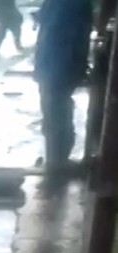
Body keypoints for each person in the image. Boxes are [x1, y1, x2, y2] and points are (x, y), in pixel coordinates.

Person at [34, 0, 93, 174]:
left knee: (53, 111)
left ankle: (56, 159)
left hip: (49, 62)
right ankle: (58, 161)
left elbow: (47, 24)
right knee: (58, 111)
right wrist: (79, 67)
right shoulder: (76, 4)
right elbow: (76, 35)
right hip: (61, 64)